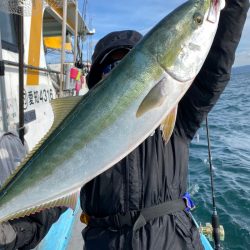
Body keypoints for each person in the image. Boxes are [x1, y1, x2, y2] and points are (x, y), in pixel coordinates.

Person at [0, 0, 249, 249]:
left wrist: (234, 6)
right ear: (98, 80)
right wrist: (10, 235)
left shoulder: (179, 116)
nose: (118, 70)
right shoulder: (82, 128)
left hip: (173, 239)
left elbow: (217, 64)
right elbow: (46, 202)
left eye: (126, 63)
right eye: (111, 66)